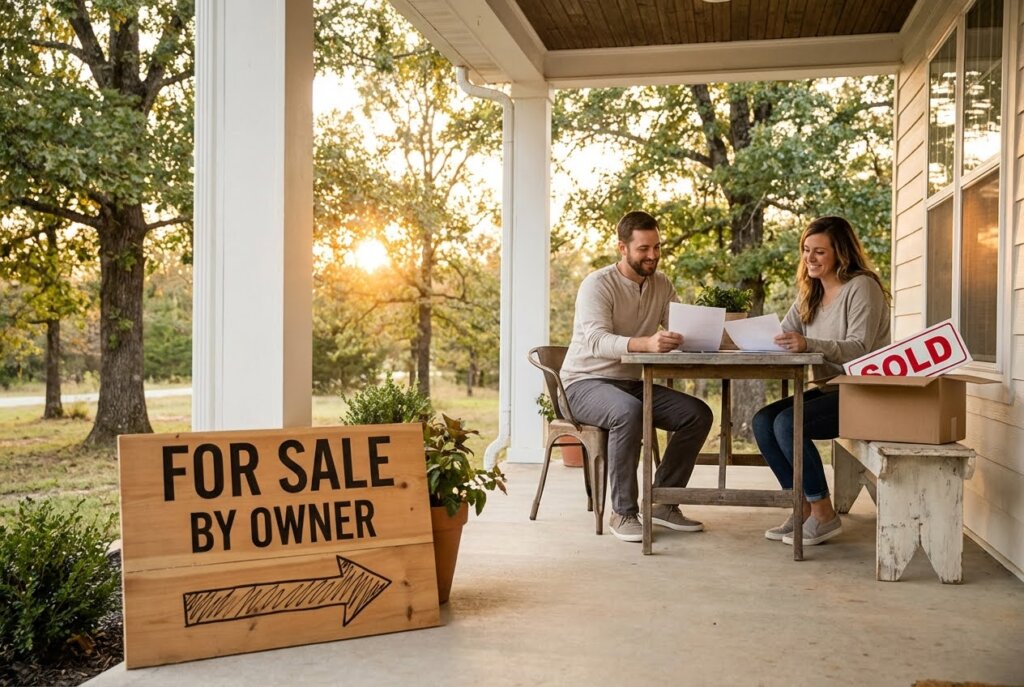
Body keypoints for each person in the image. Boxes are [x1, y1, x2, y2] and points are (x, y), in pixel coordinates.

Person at [561, 211, 714, 543]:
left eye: (657, 247)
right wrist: (645, 343)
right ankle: (624, 512)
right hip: (583, 383)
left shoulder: (662, 284)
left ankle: (663, 501)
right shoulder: (597, 285)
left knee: (697, 414)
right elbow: (596, 341)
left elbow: (681, 329)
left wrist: (703, 336)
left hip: (632, 384)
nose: (653, 256)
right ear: (622, 248)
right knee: (626, 413)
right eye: (644, 248)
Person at [753, 215, 891, 546]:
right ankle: (800, 508)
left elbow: (859, 348)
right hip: (831, 389)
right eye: (805, 250)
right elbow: (782, 334)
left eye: (819, 252)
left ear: (841, 254)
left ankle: (824, 514)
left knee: (788, 423)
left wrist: (809, 343)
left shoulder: (862, 287)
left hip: (866, 393)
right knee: (763, 421)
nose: (810, 259)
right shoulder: (810, 294)